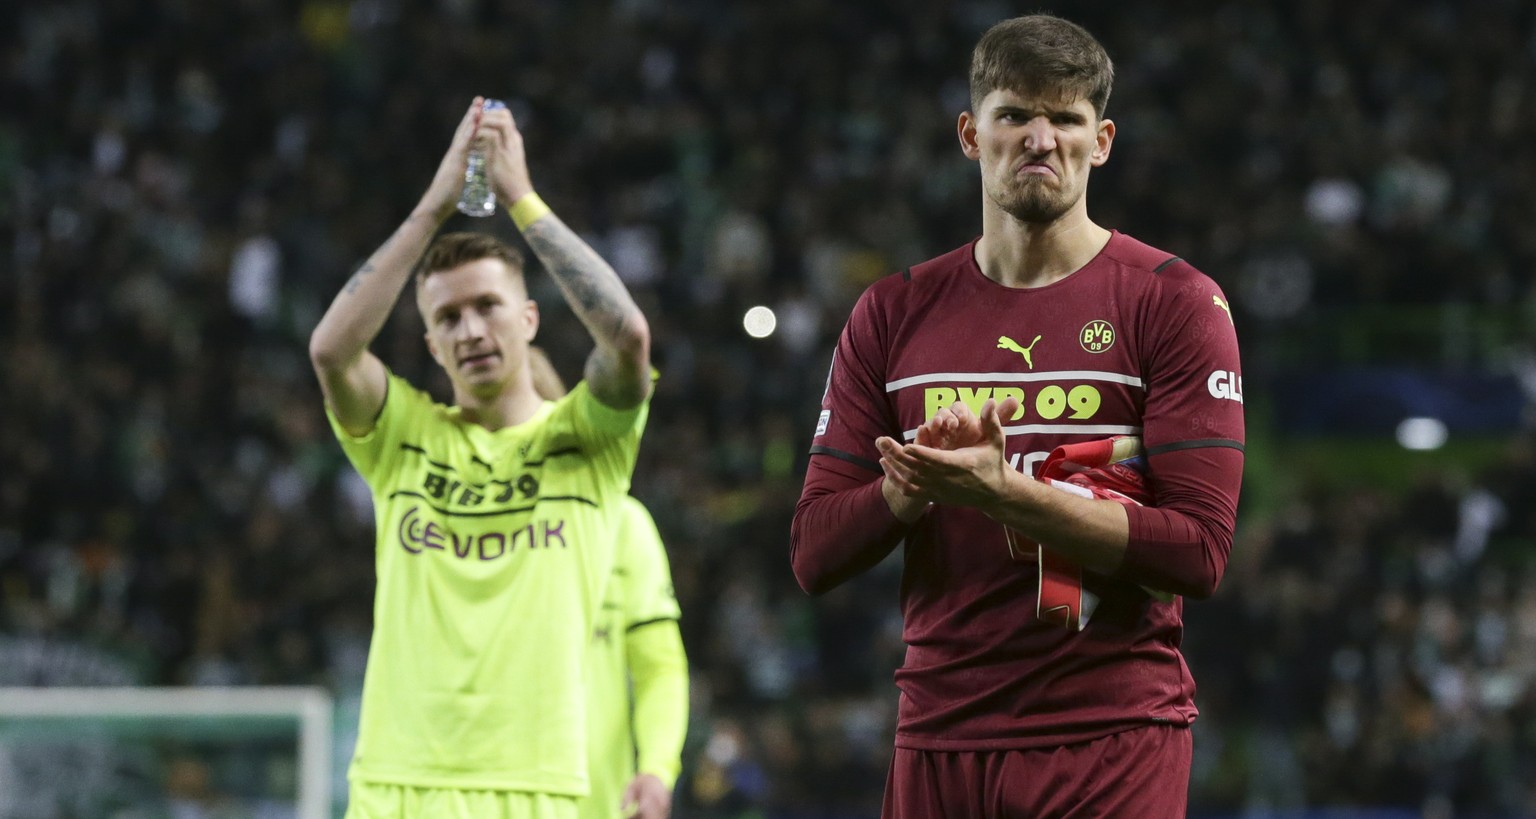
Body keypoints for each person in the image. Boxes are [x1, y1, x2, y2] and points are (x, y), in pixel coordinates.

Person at [791, 14, 1244, 818]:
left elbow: (1202, 552)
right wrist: (911, 486)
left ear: (1100, 142)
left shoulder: (1174, 302)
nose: (1041, 138)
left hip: (1110, 733)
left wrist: (1003, 492)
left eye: (1065, 118)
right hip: (938, 735)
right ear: (971, 133)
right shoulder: (891, 311)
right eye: (1015, 115)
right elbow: (814, 552)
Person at [309, 97, 653, 818]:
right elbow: (331, 350)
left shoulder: (587, 440)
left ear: (529, 319)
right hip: (395, 783)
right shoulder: (402, 434)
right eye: (447, 317)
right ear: (432, 346)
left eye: (488, 305)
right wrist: (437, 204)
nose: (469, 328)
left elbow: (625, 336)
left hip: (537, 788)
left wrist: (521, 199)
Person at [526, 347, 689, 819]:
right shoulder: (455, 530)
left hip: (596, 805)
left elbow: (659, 667)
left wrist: (657, 768)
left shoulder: (621, 524)